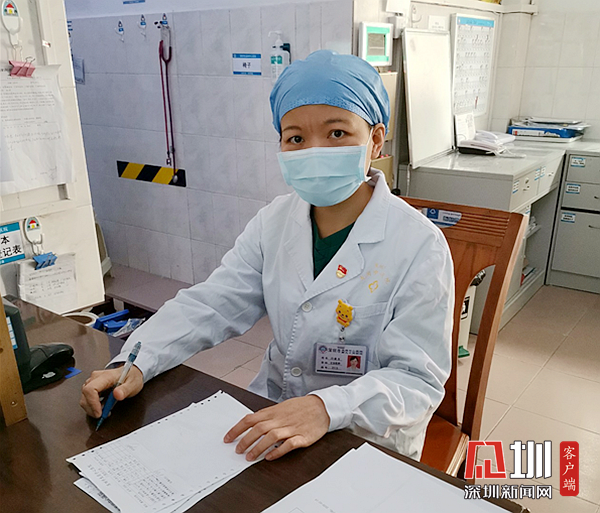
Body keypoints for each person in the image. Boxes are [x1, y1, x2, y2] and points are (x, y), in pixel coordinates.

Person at [80, 50, 454, 462]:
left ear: (376, 139)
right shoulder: (274, 222)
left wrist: (327, 407)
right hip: (271, 414)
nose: (314, 150)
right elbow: (212, 304)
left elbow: (417, 380)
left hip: (365, 439)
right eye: (296, 138)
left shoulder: (419, 245)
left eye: (336, 133)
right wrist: (137, 360)